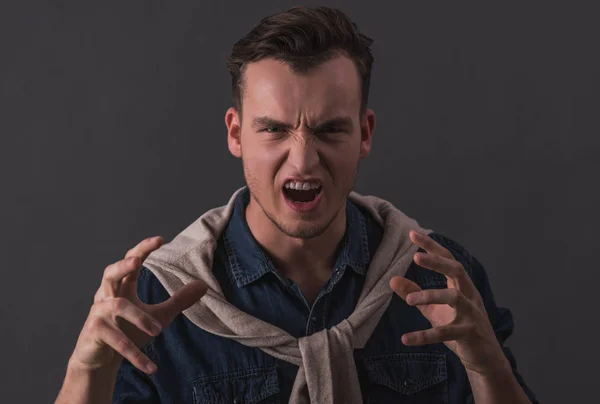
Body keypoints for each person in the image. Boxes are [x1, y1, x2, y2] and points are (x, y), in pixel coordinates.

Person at [55, 6, 539, 404]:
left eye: (330, 129)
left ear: (364, 133)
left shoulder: (441, 276)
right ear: (236, 133)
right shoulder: (154, 296)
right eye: (274, 129)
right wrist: (85, 370)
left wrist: (489, 369)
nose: (303, 160)